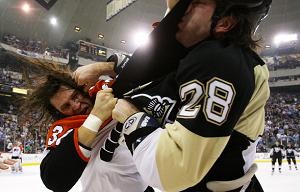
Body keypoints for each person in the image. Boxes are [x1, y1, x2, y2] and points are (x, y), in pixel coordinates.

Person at [79, 0, 271, 191]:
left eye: (195, 3)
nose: (178, 14)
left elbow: (172, 170)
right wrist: (107, 66)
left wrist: (132, 118)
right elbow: (149, 64)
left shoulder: (218, 59)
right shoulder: (195, 58)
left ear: (224, 24)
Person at [23, 63, 153, 192]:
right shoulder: (66, 130)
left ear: (82, 90)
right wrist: (96, 117)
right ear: (60, 114)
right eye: (66, 106)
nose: (76, 106)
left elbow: (153, 65)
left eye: (75, 96)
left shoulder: (110, 92)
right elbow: (53, 180)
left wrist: (101, 68)